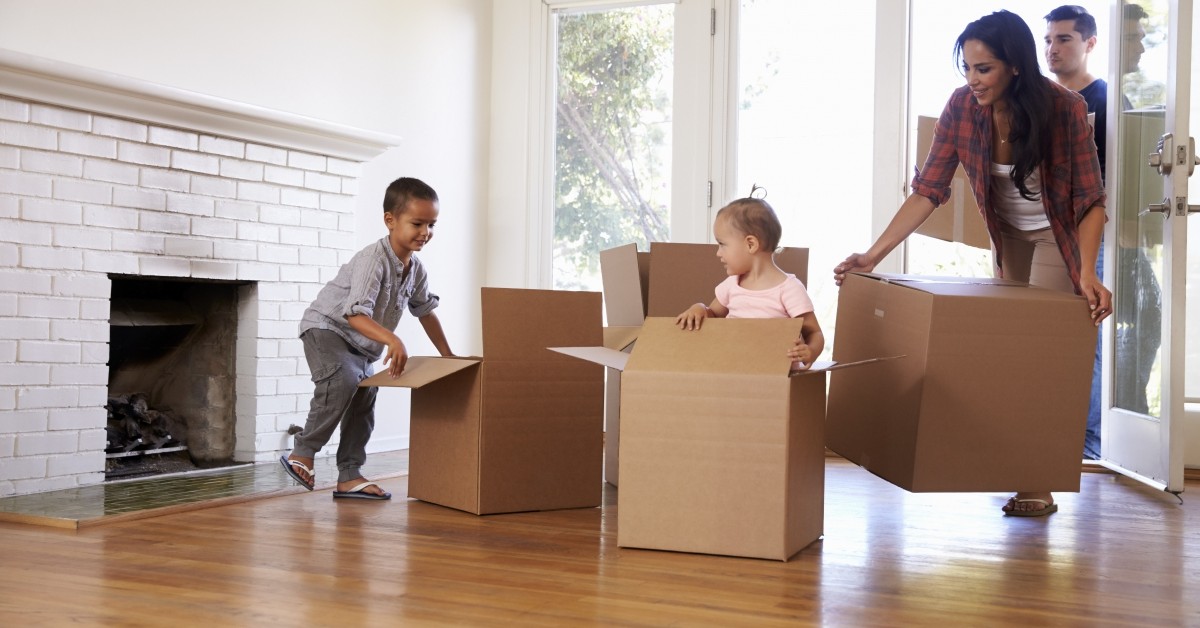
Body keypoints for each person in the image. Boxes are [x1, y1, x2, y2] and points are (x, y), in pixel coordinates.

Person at [833, 10, 1112, 517]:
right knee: (1009, 351)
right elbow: (928, 190)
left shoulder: (1064, 109)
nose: (973, 79)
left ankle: (1037, 483)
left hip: (1058, 235)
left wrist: (1088, 271)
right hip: (1008, 238)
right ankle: (1009, 462)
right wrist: (872, 255)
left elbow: (1092, 200)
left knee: (1040, 354)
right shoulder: (962, 108)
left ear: (1016, 66)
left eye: (984, 69)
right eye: (967, 68)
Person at [279, 176, 454, 500]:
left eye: (431, 225)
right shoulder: (374, 260)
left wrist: (448, 355)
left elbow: (425, 311)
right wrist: (393, 340)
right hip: (327, 329)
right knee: (343, 381)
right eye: (417, 223)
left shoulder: (416, 270)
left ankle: (349, 475)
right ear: (390, 220)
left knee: (364, 398)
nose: (425, 232)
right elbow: (355, 315)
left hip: (362, 345)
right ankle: (302, 452)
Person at [1044, 4, 1106, 460]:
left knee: (1092, 337)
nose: (1052, 49)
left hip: (1091, 234)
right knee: (1047, 338)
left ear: (1089, 43)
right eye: (1048, 40)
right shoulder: (1038, 101)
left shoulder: (1105, 100)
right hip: (1043, 236)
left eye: (1064, 39)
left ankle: (1089, 446)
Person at [675, 197, 825, 370]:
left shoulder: (789, 289)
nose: (718, 253)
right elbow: (713, 315)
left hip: (776, 374)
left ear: (750, 244)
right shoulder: (731, 285)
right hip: (734, 371)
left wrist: (810, 351)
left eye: (722, 244)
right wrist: (699, 308)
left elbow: (814, 332)